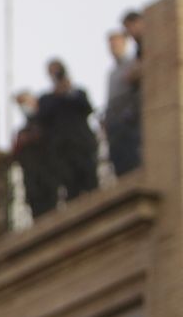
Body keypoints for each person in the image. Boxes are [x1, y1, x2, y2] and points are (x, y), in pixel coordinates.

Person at [37, 59, 99, 203]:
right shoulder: (47, 99)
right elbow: (43, 118)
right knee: (71, 188)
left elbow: (87, 108)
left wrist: (68, 92)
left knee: (91, 182)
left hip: (83, 146)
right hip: (62, 150)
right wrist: (58, 95)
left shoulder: (78, 92)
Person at [12, 90, 58, 219]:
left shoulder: (47, 121)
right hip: (32, 179)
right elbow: (15, 153)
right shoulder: (23, 130)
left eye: (25, 101)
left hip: (48, 175)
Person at [104, 30, 143, 177]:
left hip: (129, 118)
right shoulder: (111, 73)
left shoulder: (134, 63)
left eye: (116, 41)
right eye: (110, 43)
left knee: (132, 159)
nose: (113, 46)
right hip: (114, 121)